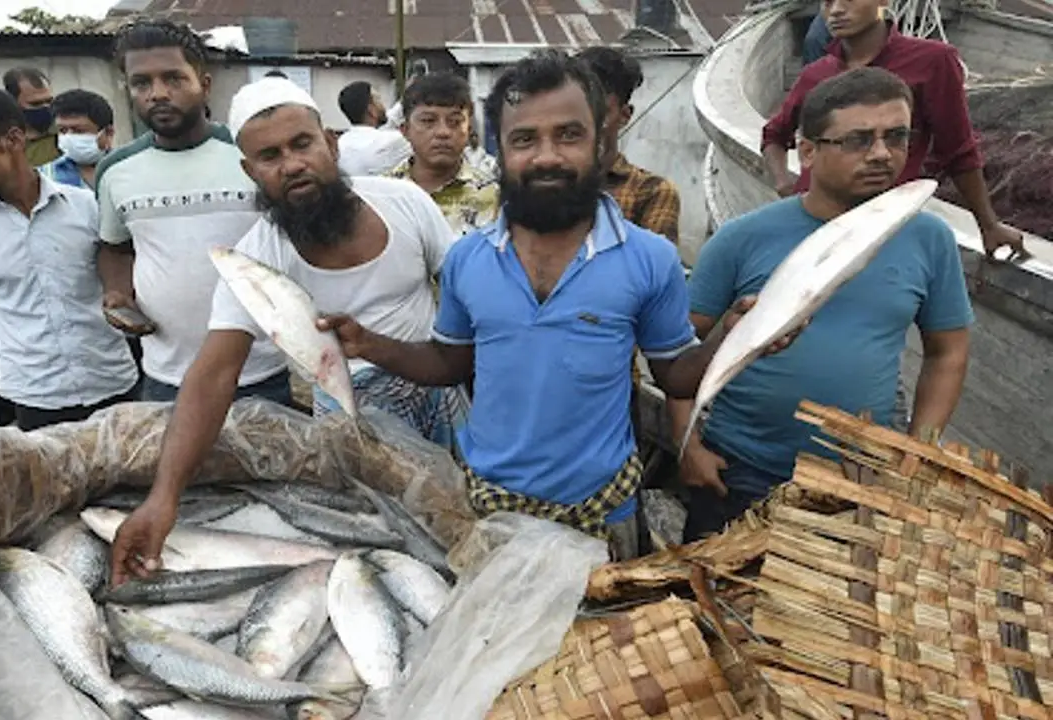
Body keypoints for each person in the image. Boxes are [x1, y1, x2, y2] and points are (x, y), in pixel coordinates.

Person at [106, 52, 800, 584]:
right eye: (525, 139)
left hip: (605, 504)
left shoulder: (644, 258)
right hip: (479, 496)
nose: (548, 155)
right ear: (499, 149)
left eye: (569, 135)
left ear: (603, 138)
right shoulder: (468, 260)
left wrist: (738, 336)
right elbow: (452, 360)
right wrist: (368, 343)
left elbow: (678, 375)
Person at [108, 76, 484, 584]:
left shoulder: (406, 204)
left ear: (330, 142)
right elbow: (213, 375)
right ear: (250, 171)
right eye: (269, 156)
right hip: (353, 426)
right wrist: (163, 497)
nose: (291, 164)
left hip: (439, 391)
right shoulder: (258, 261)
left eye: (302, 144)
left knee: (462, 528)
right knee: (389, 550)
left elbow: (475, 305)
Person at [675, 67, 973, 541]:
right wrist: (686, 444)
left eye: (896, 136)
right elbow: (676, 353)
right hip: (738, 466)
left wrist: (920, 451)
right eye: (857, 140)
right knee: (709, 606)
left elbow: (948, 351)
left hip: (859, 476)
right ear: (807, 151)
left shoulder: (926, 238)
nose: (881, 153)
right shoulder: (744, 238)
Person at [96, 19, 289, 405]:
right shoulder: (115, 171)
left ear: (204, 83)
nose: (158, 94)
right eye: (142, 83)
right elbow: (114, 246)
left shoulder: (252, 153)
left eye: (173, 78)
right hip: (166, 376)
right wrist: (118, 293)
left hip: (261, 371)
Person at [0, 86, 140, 431]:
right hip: (35, 395)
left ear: (12, 139)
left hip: (112, 379)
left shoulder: (88, 207)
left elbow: (119, 282)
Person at [762, 0, 1024, 258]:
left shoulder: (932, 61)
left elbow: (957, 150)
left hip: (884, 227)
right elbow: (775, 133)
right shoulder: (816, 74)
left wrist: (988, 225)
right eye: (827, 3)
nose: (837, 10)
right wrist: (784, 184)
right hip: (808, 228)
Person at [577, 46, 681, 244]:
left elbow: (653, 270)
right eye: (578, 113)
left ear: (624, 115)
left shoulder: (651, 191)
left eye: (602, 114)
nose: (588, 125)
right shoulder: (543, 183)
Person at [386, 71, 498, 237]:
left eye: (454, 122)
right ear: (405, 130)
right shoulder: (383, 194)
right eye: (428, 121)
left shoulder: (494, 196)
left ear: (468, 130)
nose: (443, 132)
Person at [39, 89, 116, 190]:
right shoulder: (45, 176)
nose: (69, 137)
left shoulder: (129, 167)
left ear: (108, 133)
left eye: (79, 131)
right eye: (62, 130)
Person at [335, 80, 411, 177]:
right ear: (371, 110)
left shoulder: (341, 144)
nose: (383, 105)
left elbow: (389, 121)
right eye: (378, 99)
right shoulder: (392, 141)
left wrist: (406, 98)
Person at [3, 66, 60, 167]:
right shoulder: (2, 138)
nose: (45, 107)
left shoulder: (64, 134)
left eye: (49, 101)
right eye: (36, 104)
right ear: (13, 102)